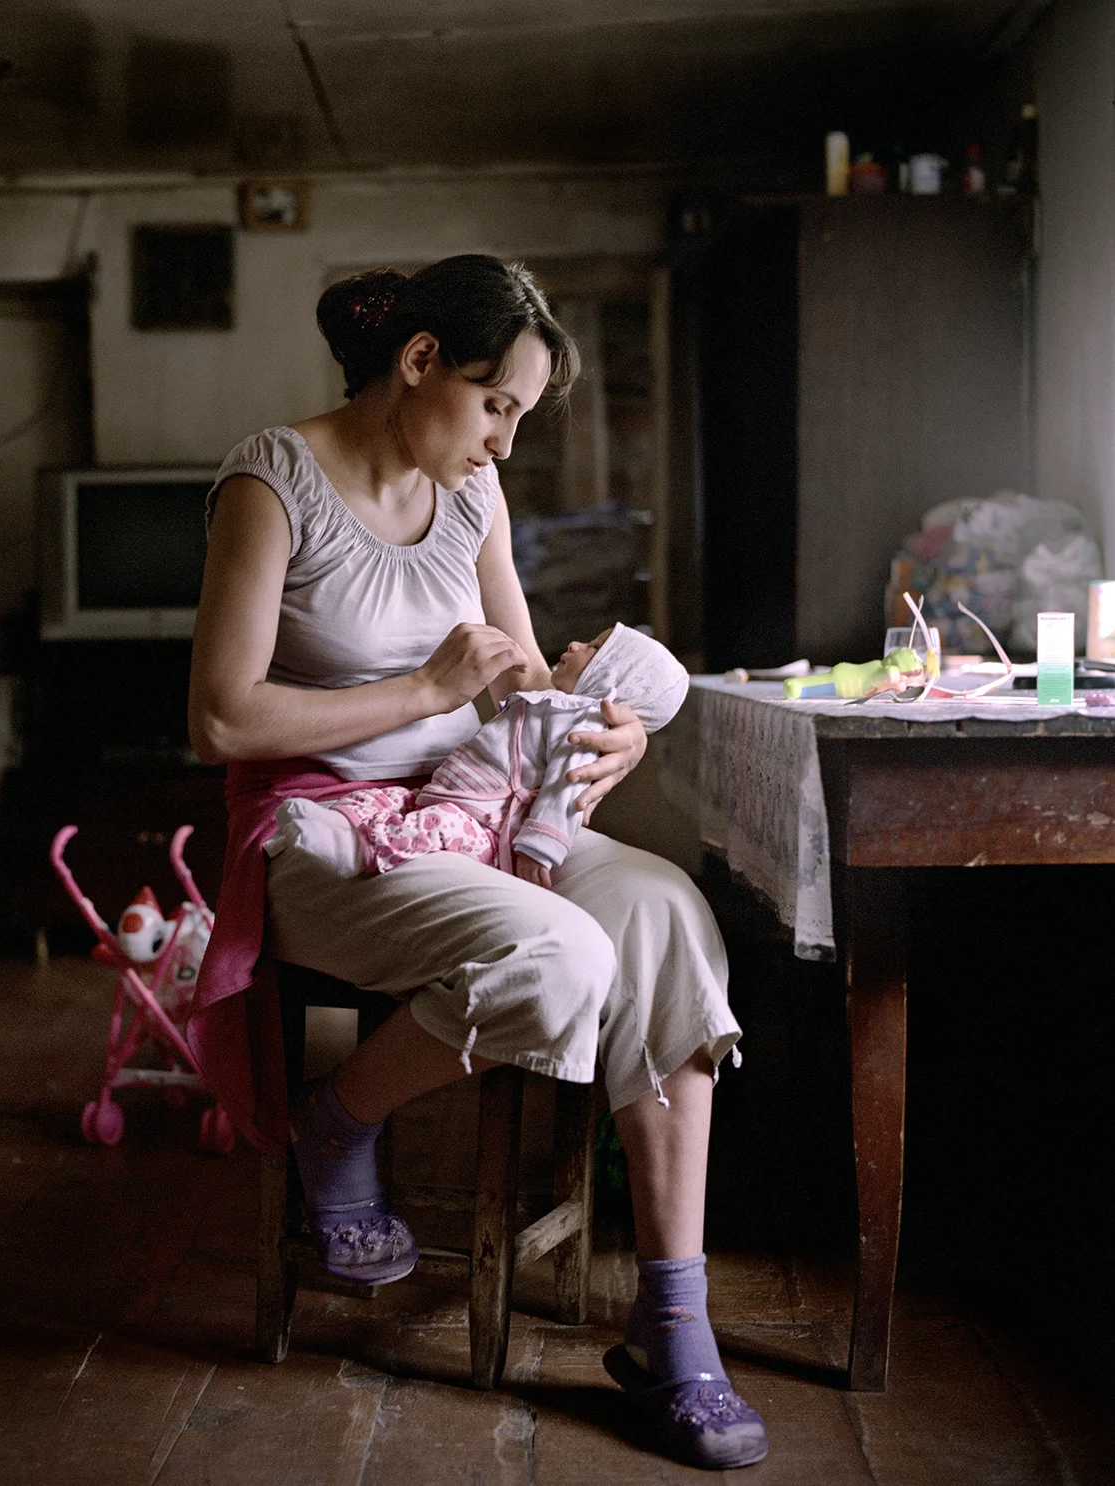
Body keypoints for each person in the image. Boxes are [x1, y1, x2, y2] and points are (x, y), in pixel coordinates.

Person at [186, 255, 767, 1470]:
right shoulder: (272, 480)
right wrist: (421, 689)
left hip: (473, 808)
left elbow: (520, 682)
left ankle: (673, 1319)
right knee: (558, 955)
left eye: (521, 416)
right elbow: (223, 720)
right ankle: (336, 1123)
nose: (505, 442)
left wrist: (609, 725)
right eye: (495, 404)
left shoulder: (474, 498)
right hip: (323, 834)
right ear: (419, 363)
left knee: (665, 912)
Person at [267, 622, 688, 883]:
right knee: (388, 799)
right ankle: (332, 824)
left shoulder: (583, 726)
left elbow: (567, 788)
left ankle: (356, 852)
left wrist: (538, 850)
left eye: (594, 649)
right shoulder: (553, 705)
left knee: (434, 827)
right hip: (445, 792)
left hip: (484, 822)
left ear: (612, 679)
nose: (577, 643)